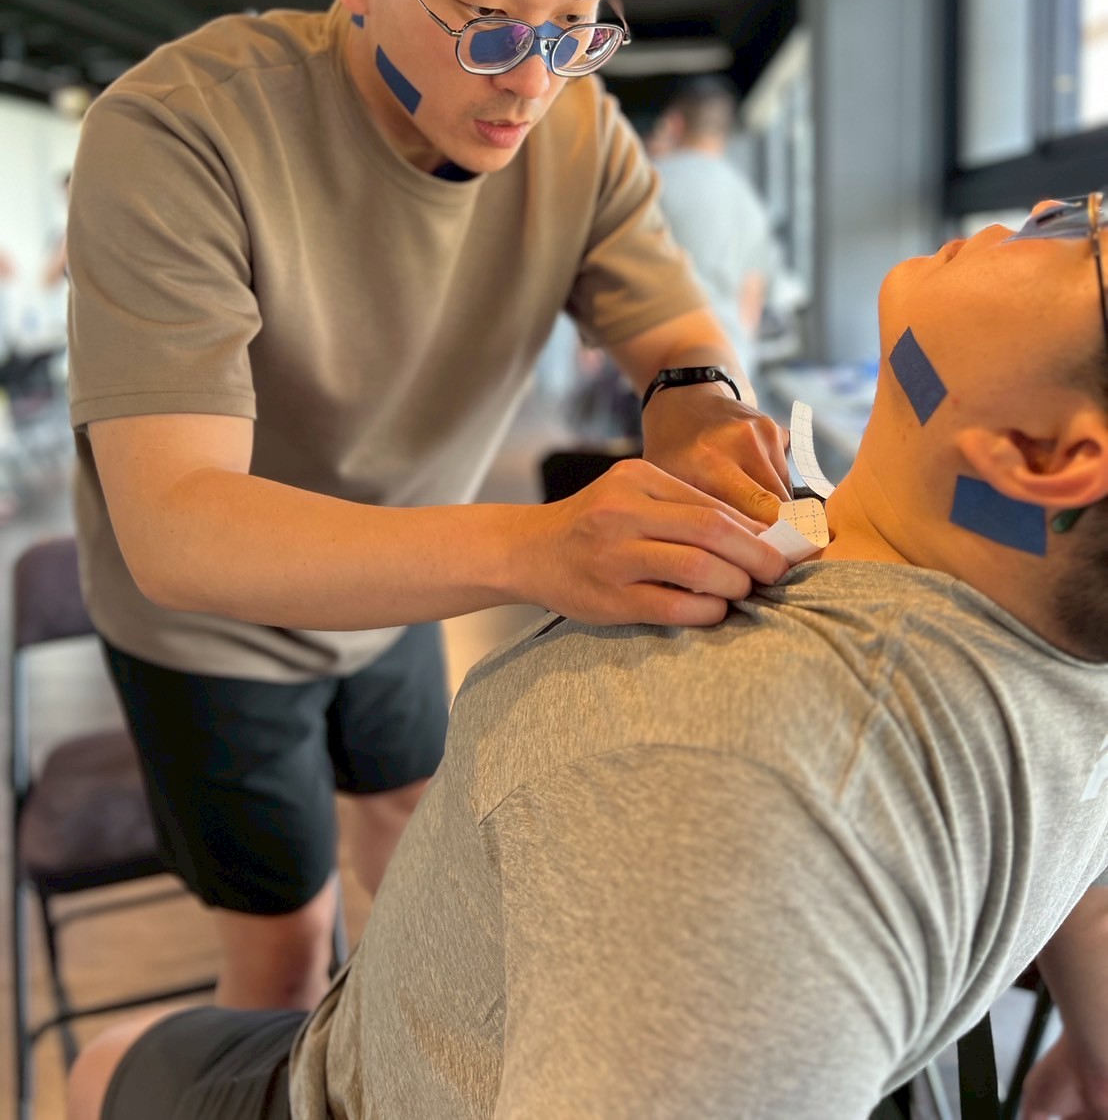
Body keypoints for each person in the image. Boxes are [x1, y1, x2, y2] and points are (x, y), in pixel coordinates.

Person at [67, 194, 1108, 1119]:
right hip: (409, 1014)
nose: (1050, 208)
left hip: (347, 1088)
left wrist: (527, 545)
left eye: (1091, 238)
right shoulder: (1056, 647)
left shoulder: (714, 776)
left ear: (1045, 458)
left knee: (102, 1066)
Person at [64, 0, 792, 1014]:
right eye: (489, 22)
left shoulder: (581, 131)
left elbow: (678, 331)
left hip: (395, 574)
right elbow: (176, 526)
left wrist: (701, 408)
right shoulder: (179, 134)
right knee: (285, 946)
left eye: (577, 22)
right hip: (210, 621)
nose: (533, 82)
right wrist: (535, 547)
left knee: (413, 845)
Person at [651, 76, 773, 393]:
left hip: (662, 365)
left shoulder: (653, 181)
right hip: (731, 368)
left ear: (676, 123)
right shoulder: (749, 199)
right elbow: (751, 298)